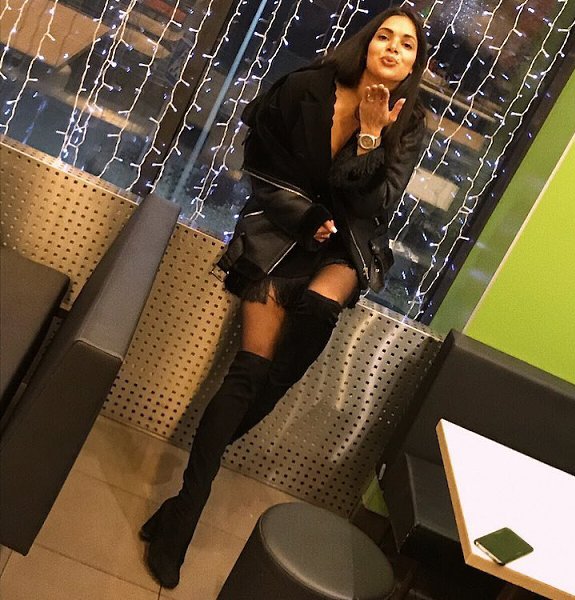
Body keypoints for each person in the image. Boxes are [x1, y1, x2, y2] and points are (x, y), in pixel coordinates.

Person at [140, 6, 428, 589]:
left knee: (313, 320)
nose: (394, 49)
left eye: (407, 45)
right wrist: (304, 215)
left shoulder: (410, 120)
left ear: (413, 64)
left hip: (343, 246)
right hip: (278, 233)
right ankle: (184, 514)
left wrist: (371, 134)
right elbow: (260, 166)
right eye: (385, 36)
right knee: (250, 374)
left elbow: (376, 205)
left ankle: (181, 504)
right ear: (366, 42)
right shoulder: (305, 87)